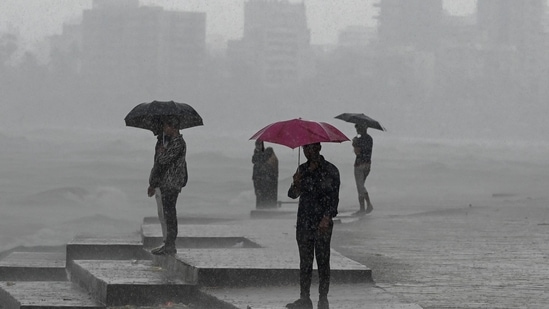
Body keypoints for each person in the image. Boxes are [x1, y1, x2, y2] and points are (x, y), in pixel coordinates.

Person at [286, 143, 340, 309]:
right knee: (305, 262)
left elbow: (334, 198)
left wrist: (326, 217)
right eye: (305, 149)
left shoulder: (330, 170)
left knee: (323, 261)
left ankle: (323, 298)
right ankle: (304, 297)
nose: (308, 151)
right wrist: (295, 184)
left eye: (311, 148)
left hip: (322, 222)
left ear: (319, 148)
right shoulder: (302, 169)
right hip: (304, 221)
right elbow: (292, 195)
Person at [147, 117, 188, 255]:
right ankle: (168, 244)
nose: (164, 129)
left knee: (169, 214)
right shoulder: (171, 142)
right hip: (168, 183)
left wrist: (162, 151)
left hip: (171, 183)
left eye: (166, 126)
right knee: (167, 213)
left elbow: (164, 160)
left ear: (173, 128)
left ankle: (170, 245)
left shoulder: (177, 143)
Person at [352, 124, 373, 215]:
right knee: (362, 186)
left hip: (359, 164)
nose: (356, 130)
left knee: (360, 186)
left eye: (357, 128)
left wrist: (354, 144)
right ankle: (364, 207)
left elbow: (358, 152)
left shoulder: (358, 140)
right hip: (367, 164)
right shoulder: (370, 139)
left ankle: (365, 206)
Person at [252, 140, 279, 208]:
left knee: (262, 199)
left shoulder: (262, 157)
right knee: (264, 198)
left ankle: (263, 211)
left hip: (264, 183)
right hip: (263, 183)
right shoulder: (260, 158)